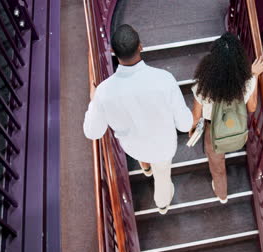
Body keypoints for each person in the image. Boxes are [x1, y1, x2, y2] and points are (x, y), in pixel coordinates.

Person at [83, 24, 193, 214]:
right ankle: (162, 204)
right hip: (163, 146)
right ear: (140, 46)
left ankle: (146, 169)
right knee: (163, 176)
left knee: (145, 156)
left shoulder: (104, 92)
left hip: (134, 146)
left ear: (112, 52)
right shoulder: (164, 79)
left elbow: (92, 132)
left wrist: (94, 101)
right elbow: (184, 125)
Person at [190, 32, 263, 203]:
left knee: (217, 166)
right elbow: (252, 107)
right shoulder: (246, 81)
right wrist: (254, 75)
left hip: (213, 132)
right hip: (236, 126)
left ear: (212, 62)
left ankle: (222, 194)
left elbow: (196, 116)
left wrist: (192, 128)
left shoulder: (202, 87)